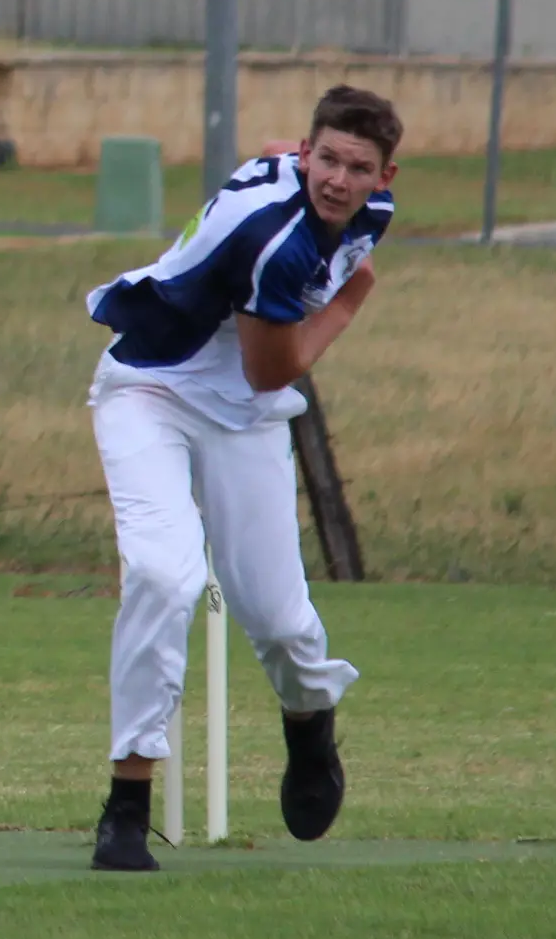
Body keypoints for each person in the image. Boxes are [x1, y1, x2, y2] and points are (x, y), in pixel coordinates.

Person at [82, 85, 398, 873]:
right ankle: (126, 804)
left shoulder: (368, 213)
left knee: (279, 618)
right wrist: (353, 303)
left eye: (356, 167)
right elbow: (273, 369)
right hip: (150, 388)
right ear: (302, 151)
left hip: (242, 417)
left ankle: (309, 724)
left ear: (385, 175)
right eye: (325, 159)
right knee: (163, 575)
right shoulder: (276, 240)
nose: (336, 179)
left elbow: (257, 381)